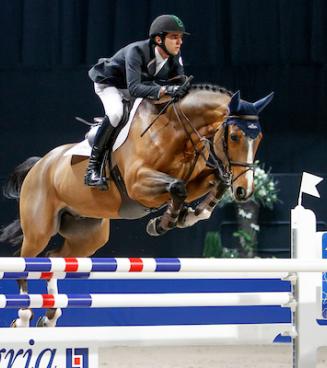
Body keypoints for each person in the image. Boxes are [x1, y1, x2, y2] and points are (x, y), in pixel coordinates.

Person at [85, 14, 190, 190]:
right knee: (116, 114)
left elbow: (179, 84)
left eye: (180, 38)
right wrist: (165, 90)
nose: (179, 42)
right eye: (174, 37)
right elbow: (134, 89)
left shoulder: (175, 57)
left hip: (138, 85)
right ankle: (92, 169)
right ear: (159, 39)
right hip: (110, 84)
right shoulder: (137, 52)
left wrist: (182, 89)